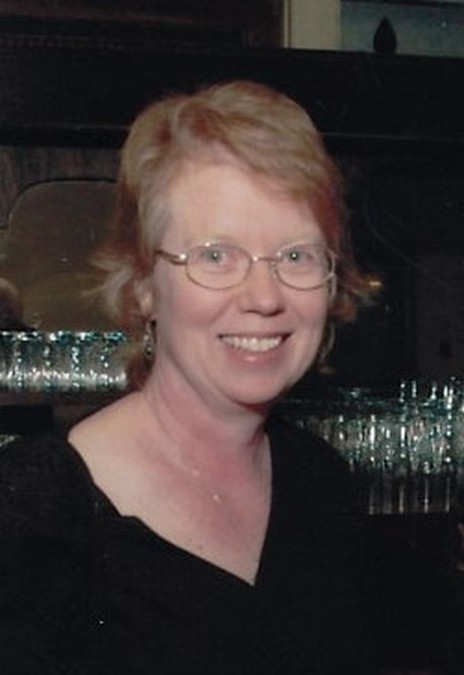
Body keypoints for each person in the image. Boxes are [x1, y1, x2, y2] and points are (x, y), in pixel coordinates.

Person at [0, 80, 376, 674]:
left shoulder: (322, 484)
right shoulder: (36, 507)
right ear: (144, 285)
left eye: (296, 256)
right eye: (216, 255)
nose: (264, 297)